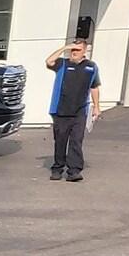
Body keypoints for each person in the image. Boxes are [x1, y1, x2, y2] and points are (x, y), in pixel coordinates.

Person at [45, 37, 102, 181]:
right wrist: (64, 48)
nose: (74, 52)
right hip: (61, 110)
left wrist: (96, 106)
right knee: (60, 140)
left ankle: (74, 171)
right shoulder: (62, 64)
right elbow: (49, 61)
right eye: (72, 50)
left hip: (80, 111)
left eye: (77, 50)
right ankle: (57, 168)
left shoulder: (91, 67)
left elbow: (94, 87)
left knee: (76, 141)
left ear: (84, 51)